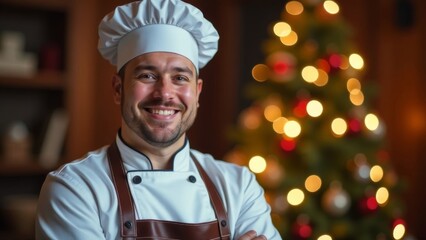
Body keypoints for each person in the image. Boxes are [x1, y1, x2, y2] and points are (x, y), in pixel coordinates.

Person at [35, 0, 281, 239]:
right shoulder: (75, 189)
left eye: (180, 78)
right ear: (118, 89)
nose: (164, 93)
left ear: (197, 93)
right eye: (147, 75)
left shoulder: (238, 186)